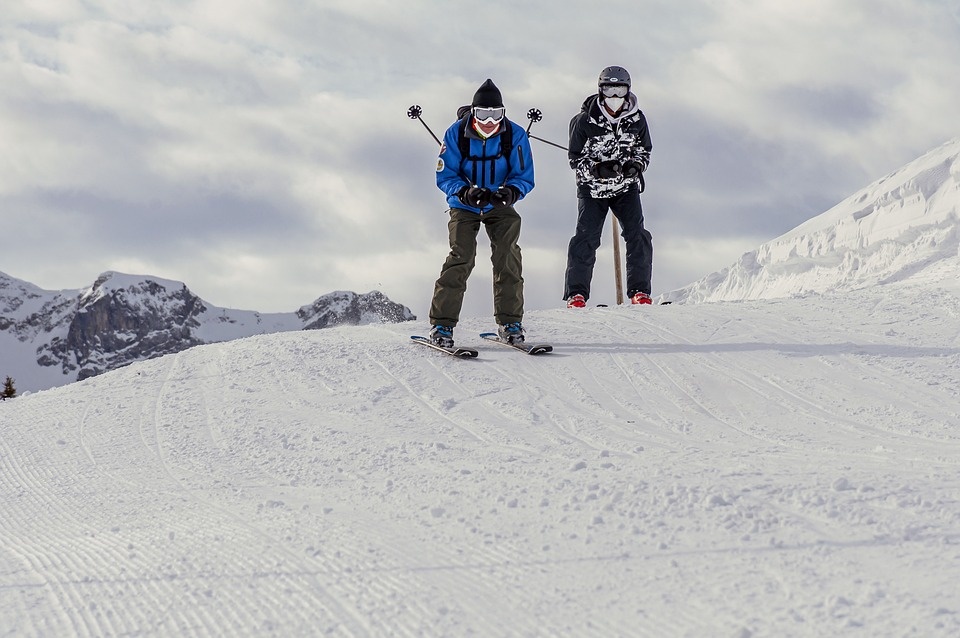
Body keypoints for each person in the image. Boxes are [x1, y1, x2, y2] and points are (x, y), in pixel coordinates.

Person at [428, 79, 535, 347]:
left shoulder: (515, 135)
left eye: (495, 114)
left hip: (499, 205)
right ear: (473, 112)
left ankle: (510, 322)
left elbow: (524, 175)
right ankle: (442, 325)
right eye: (483, 114)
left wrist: (511, 192)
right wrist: (464, 192)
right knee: (461, 256)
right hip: (465, 205)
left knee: (507, 256)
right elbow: (445, 174)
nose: (489, 121)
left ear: (503, 113)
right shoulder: (455, 134)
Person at [563, 65, 653, 308]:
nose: (615, 97)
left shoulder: (637, 119)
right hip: (593, 190)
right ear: (601, 90)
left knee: (638, 235)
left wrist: (636, 166)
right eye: (610, 90)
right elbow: (575, 159)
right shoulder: (584, 121)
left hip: (626, 187)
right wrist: (596, 169)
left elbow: (644, 150)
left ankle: (640, 291)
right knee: (587, 238)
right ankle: (576, 293)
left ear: (627, 91)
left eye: (619, 90)